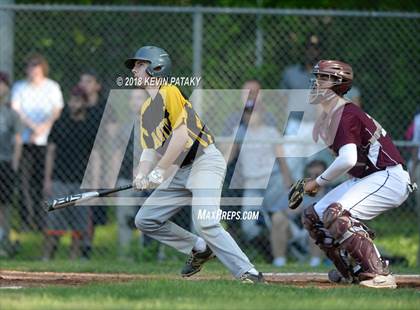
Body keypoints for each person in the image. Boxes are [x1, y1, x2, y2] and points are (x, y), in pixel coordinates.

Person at [126, 46, 265, 283]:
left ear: (156, 68)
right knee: (145, 219)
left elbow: (181, 139)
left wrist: (159, 172)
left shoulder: (169, 92)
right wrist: (142, 173)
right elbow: (149, 149)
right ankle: (199, 248)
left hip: (204, 163)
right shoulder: (147, 109)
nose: (134, 70)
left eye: (140, 65)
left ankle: (248, 272)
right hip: (181, 171)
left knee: (206, 221)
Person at [300, 60, 413, 288]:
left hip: (389, 177)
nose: (315, 83)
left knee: (337, 213)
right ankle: (351, 271)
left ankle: (379, 274)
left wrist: (319, 182)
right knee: (314, 216)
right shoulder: (335, 114)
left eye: (322, 78)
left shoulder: (345, 113)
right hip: (370, 177)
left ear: (338, 83)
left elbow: (348, 159)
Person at [11, 54, 64, 230]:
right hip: (25, 141)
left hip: (46, 142)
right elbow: (16, 110)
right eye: (30, 66)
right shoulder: (20, 87)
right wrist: (32, 127)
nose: (33, 70)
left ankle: (43, 222)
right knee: (24, 183)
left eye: (36, 66)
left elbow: (57, 110)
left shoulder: (52, 87)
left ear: (43, 68)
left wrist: (43, 127)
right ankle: (27, 222)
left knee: (43, 184)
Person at [42, 86, 95, 260]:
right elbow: (51, 151)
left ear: (85, 103)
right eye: (72, 99)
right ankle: (47, 259)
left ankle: (73, 262)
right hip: (59, 178)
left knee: (79, 225)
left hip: (80, 180)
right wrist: (47, 179)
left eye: (78, 100)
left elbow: (93, 156)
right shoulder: (60, 123)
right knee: (54, 221)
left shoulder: (89, 126)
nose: (73, 104)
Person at [0, 72, 22, 257]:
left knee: (5, 205)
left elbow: (17, 140)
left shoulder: (11, 113)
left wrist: (14, 164)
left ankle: (3, 241)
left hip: (5, 163)